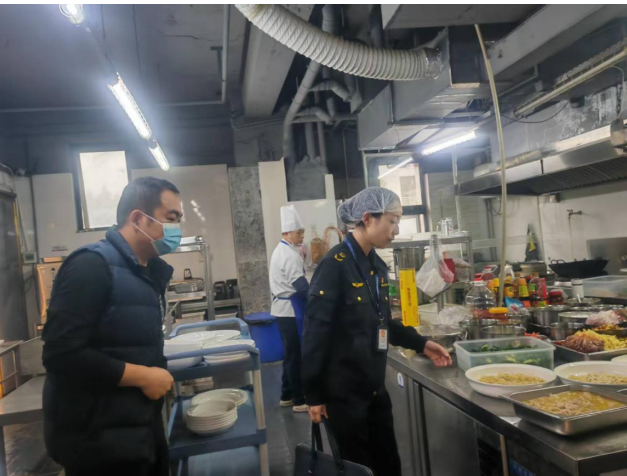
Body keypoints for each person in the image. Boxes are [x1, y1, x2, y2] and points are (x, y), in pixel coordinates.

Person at [302, 187, 452, 476]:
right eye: (392, 221)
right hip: (343, 396)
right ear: (368, 218)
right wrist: (313, 394)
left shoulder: (376, 266)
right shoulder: (334, 266)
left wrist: (421, 343)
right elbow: (314, 334)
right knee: (358, 469)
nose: (396, 230)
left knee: (388, 466)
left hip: (374, 392)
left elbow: (381, 321)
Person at [42, 177, 183, 476]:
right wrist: (143, 376)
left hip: (138, 433)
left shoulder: (145, 273)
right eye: (171, 219)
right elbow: (61, 354)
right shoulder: (91, 265)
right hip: (99, 445)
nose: (177, 229)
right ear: (138, 219)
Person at [269, 205, 309, 413]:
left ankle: (286, 395)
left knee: (290, 354)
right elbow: (300, 286)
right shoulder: (288, 255)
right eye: (298, 232)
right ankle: (299, 400)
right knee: (295, 355)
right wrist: (317, 300)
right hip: (290, 310)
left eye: (302, 232)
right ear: (287, 233)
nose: (302, 236)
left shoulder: (282, 250)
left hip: (282, 310)